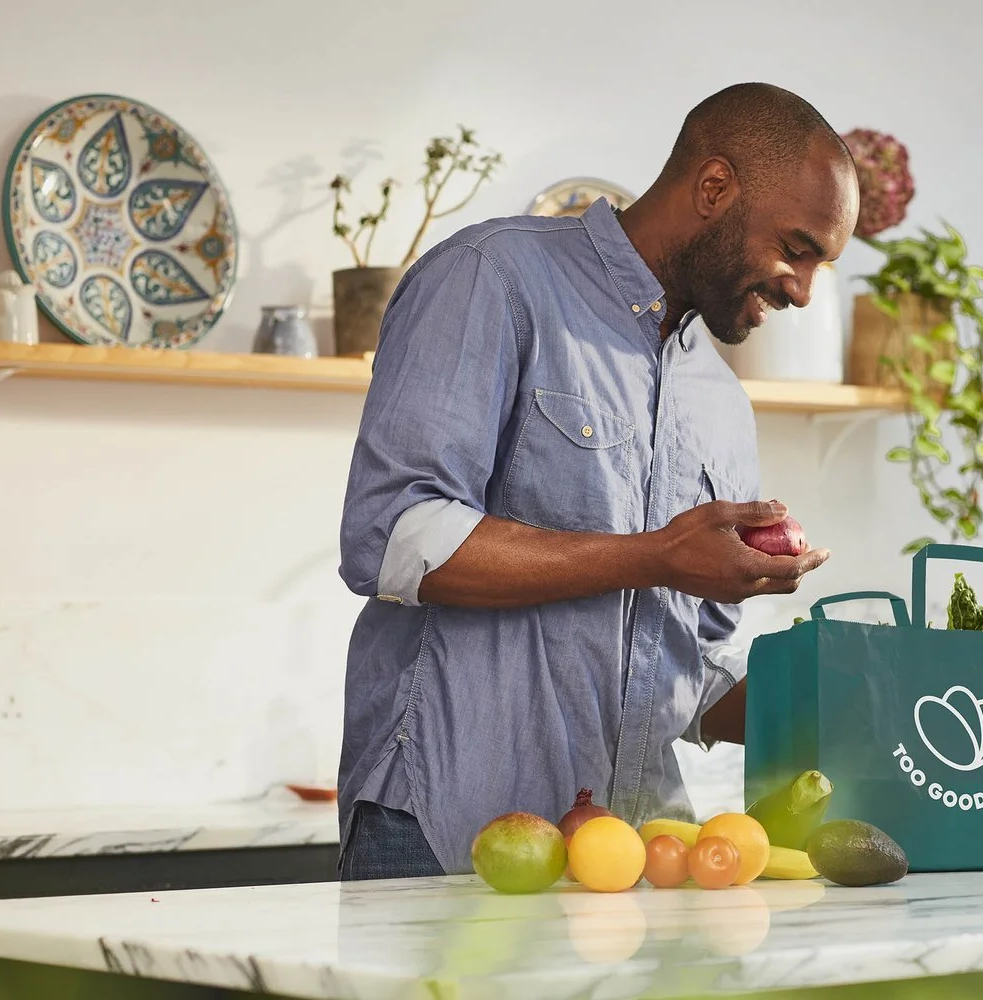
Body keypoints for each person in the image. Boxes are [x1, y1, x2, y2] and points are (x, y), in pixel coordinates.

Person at [335, 82, 860, 880]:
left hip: (635, 857)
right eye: (798, 247)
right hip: (448, 829)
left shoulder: (719, 399)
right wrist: (654, 557)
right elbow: (394, 537)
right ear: (714, 188)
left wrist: (862, 703)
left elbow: (686, 665)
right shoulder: (492, 278)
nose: (803, 288)